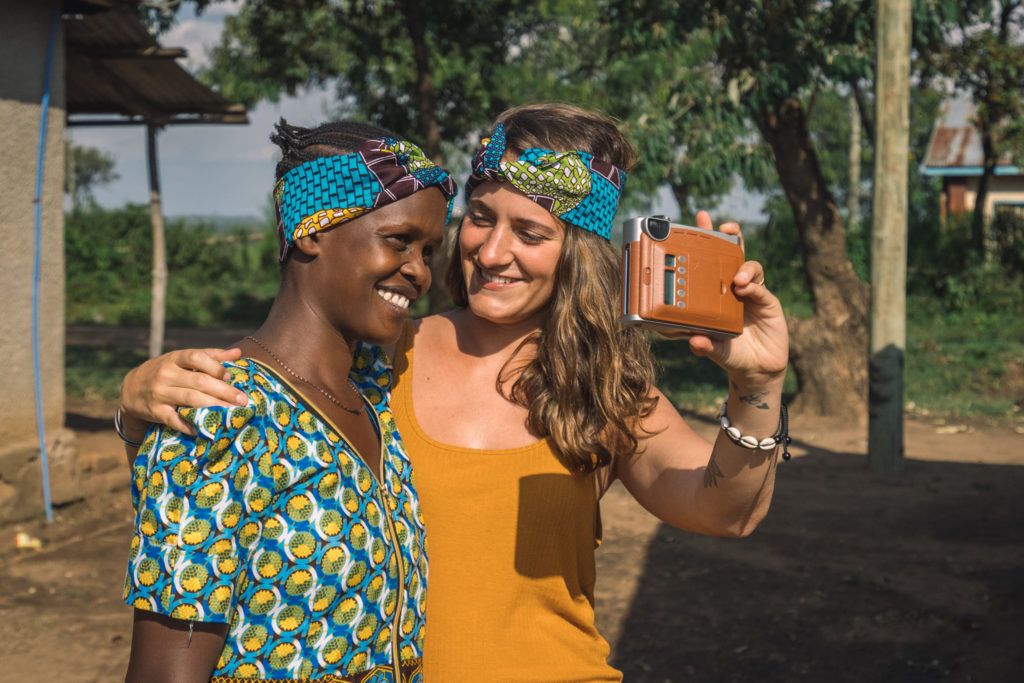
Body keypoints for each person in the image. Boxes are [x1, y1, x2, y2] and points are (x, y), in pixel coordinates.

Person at [119, 103, 789, 682]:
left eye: (530, 233)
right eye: (481, 218)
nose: (493, 251)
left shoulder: (601, 386)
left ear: (578, 250)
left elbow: (726, 509)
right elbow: (266, 403)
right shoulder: (383, 354)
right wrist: (135, 399)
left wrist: (756, 384)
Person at [118, 119, 456, 682]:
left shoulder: (373, 393)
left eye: (430, 250)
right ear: (311, 231)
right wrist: (132, 410)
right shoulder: (223, 412)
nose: (419, 272)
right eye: (398, 241)